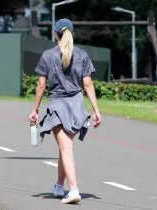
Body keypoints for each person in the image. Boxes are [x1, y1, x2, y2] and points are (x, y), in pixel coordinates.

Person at [28, 18, 101, 204]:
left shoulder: (48, 55)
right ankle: (59, 186)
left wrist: (35, 110)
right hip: (77, 106)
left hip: (58, 106)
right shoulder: (82, 55)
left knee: (66, 147)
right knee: (65, 147)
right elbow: (88, 83)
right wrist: (96, 110)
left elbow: (41, 84)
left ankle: (74, 189)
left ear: (55, 34)